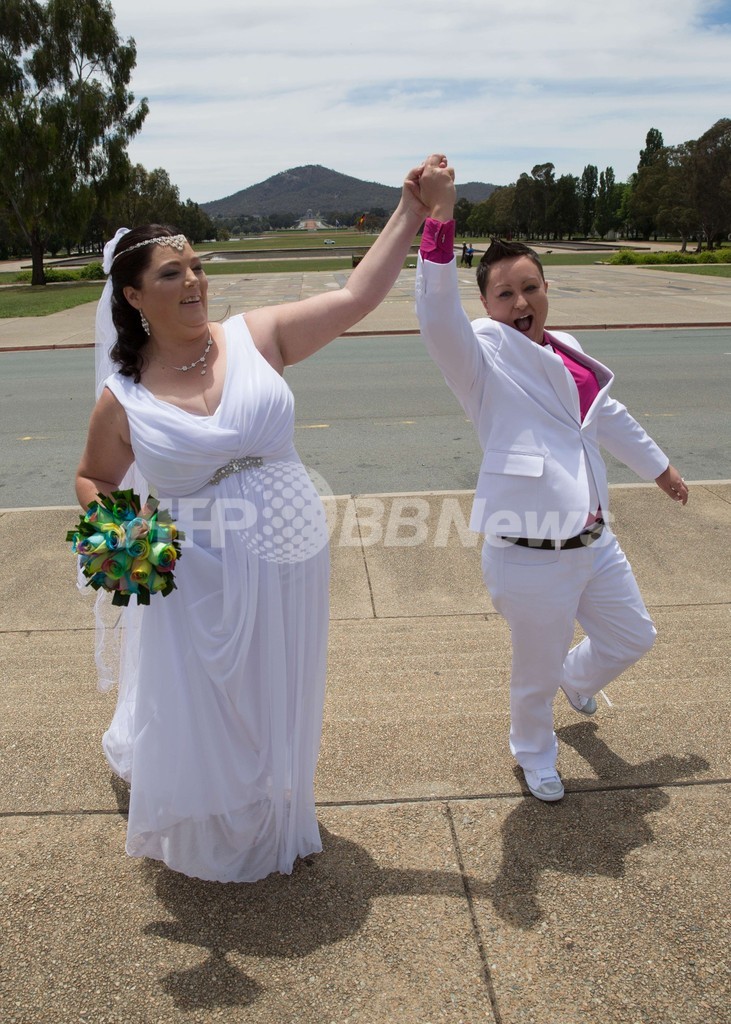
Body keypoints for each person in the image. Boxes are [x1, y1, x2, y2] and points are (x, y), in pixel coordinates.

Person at [75, 157, 435, 882]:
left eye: (197, 267)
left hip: (288, 555)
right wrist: (123, 540)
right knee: (207, 699)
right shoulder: (123, 399)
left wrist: (411, 209)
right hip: (190, 571)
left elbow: (359, 295)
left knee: (277, 686)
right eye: (172, 274)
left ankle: (274, 806)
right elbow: (93, 478)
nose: (194, 283)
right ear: (133, 294)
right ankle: (214, 821)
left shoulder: (256, 336)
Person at [414, 155, 688, 802]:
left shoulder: (564, 351)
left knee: (631, 636)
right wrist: (440, 217)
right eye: (504, 292)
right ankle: (534, 753)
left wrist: (659, 468)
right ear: (484, 304)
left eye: (530, 287)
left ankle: (579, 677)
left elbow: (607, 415)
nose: (520, 301)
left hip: (595, 543)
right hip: (529, 555)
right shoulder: (478, 362)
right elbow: (433, 312)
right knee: (531, 677)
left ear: (545, 290)